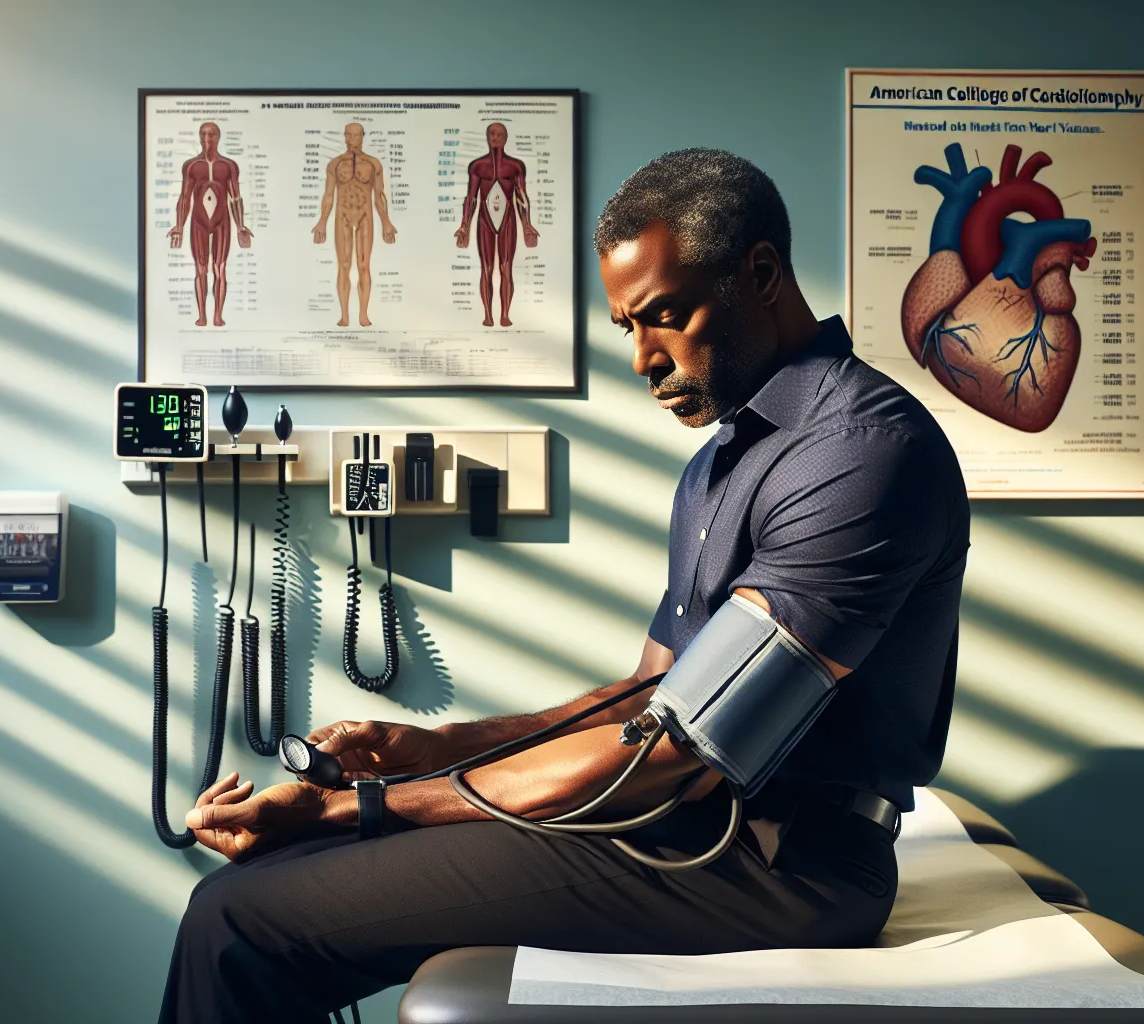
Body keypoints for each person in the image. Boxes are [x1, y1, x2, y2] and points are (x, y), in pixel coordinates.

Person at [158, 149, 970, 1023]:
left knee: (238, 918)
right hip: (686, 824)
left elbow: (678, 749)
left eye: (665, 315)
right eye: (629, 326)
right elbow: (644, 699)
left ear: (761, 274)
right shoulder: (722, 466)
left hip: (781, 868)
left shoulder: (860, 453)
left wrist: (359, 808)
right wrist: (441, 749)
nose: (643, 358)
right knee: (270, 886)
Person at [453, 121, 540, 327]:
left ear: (505, 137)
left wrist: (527, 224)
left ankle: (505, 315)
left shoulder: (515, 166)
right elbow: (471, 198)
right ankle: (488, 315)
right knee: (486, 268)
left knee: (506, 267)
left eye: (499, 134)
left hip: (508, 220)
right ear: (486, 136)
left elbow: (522, 197)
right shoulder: (478, 166)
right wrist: (464, 224)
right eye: (491, 133)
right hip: (485, 221)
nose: (495, 137)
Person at [313, 122, 397, 327]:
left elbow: (380, 196)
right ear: (344, 137)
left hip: (364, 216)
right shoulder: (334, 164)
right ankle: (344, 316)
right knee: (343, 266)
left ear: (363, 136)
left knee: (363, 266)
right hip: (342, 216)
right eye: (349, 135)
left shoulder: (374, 164)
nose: (352, 140)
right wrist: (321, 222)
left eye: (356, 135)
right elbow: (328, 195)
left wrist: (386, 222)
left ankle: (363, 315)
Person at [168, 122, 252, 327]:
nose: (207, 137)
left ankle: (218, 316)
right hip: (199, 221)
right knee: (200, 268)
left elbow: (236, 197)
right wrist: (178, 225)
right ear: (199, 136)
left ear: (218, 137)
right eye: (204, 133)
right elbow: (185, 197)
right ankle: (202, 316)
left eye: (212, 133)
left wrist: (241, 224)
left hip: (222, 221)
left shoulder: (229, 166)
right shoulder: (191, 166)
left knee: (220, 268)